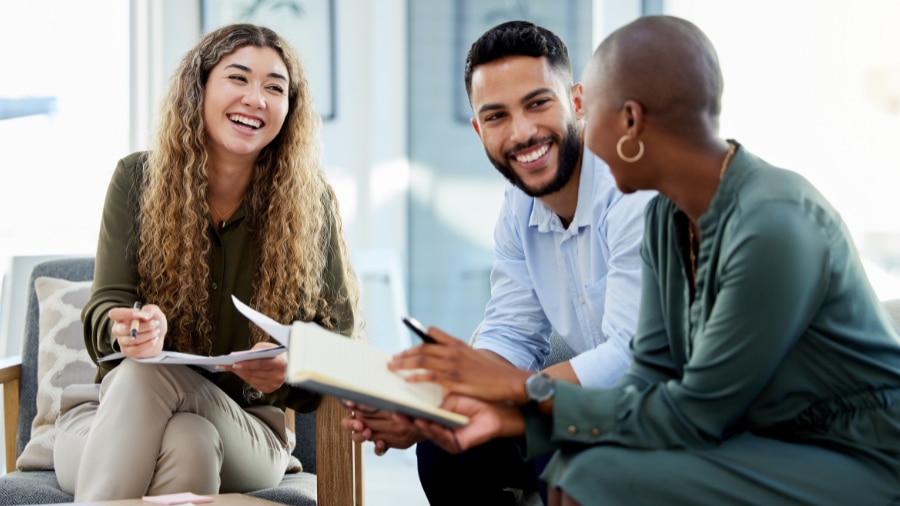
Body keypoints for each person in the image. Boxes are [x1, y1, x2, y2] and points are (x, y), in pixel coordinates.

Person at [391, 15, 900, 506]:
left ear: (626, 119)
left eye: (593, 111)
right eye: (497, 114)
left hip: (850, 449)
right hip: (747, 431)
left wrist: (516, 396)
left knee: (596, 473)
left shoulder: (775, 222)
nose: (582, 135)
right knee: (579, 468)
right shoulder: (666, 219)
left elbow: (693, 410)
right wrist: (497, 410)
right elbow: (647, 375)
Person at [342, 20, 653, 505]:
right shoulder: (519, 204)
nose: (522, 132)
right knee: (445, 447)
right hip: (579, 401)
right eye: (496, 116)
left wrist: (499, 389)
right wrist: (428, 409)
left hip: (656, 410)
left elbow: (628, 356)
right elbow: (511, 332)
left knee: (561, 444)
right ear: (478, 128)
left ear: (576, 101)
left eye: (537, 103)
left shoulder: (631, 188)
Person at [52, 24, 358, 501]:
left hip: (248, 430)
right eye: (238, 78)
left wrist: (290, 366)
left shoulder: (310, 203)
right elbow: (106, 307)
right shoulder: (137, 180)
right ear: (200, 88)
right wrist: (131, 330)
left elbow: (339, 344)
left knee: (149, 380)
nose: (256, 98)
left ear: (289, 109)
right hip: (105, 418)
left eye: (274, 87)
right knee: (189, 441)